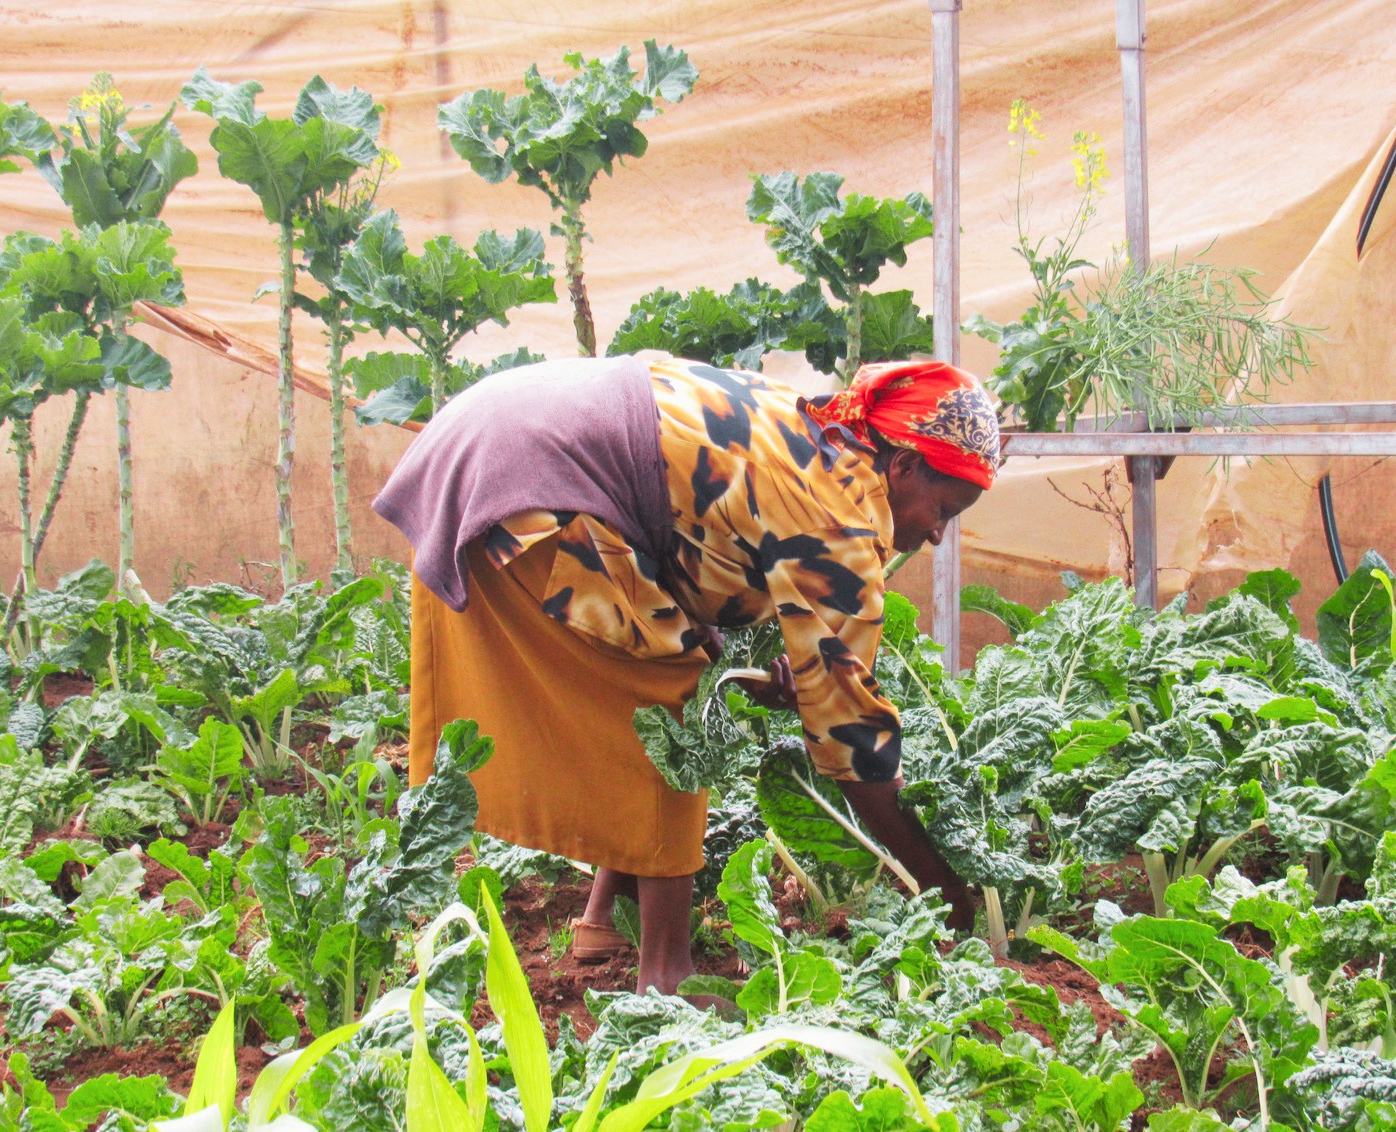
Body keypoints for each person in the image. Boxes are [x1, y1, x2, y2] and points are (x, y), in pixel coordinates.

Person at [374, 354, 1000, 996]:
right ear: (903, 466)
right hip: (526, 476)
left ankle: (604, 919)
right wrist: (941, 887)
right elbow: (853, 739)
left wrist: (768, 674)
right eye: (943, 509)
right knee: (673, 705)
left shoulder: (820, 440)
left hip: (501, 436)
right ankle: (666, 976)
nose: (937, 535)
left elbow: (698, 546)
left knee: (660, 666)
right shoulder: (839, 517)